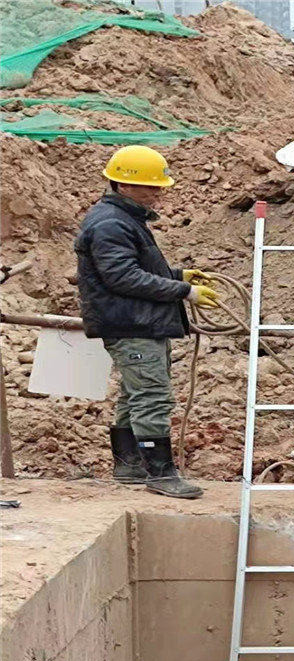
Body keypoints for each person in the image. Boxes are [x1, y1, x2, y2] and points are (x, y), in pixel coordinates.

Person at [75, 145, 219, 499]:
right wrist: (184, 291)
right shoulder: (111, 223)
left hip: (135, 321)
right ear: (124, 185)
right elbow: (122, 278)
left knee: (134, 393)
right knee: (152, 395)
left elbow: (132, 270)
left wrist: (178, 274)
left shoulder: (121, 219)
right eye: (152, 186)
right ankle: (160, 474)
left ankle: (129, 465)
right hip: (131, 324)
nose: (159, 192)